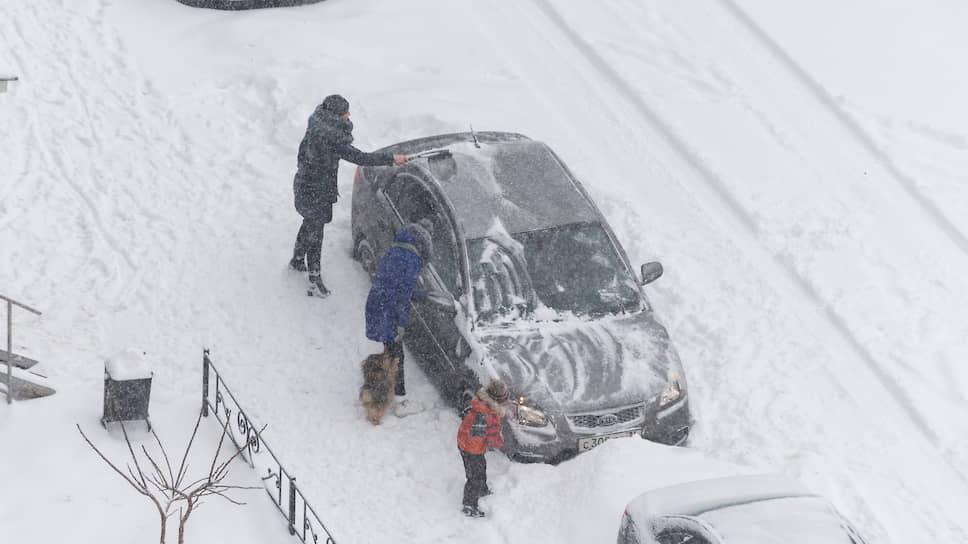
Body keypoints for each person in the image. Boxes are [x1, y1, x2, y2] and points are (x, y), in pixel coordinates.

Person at [290, 94, 409, 297]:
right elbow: (360, 157)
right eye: (346, 112)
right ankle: (314, 279)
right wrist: (391, 159)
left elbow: (303, 155)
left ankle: (297, 259)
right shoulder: (331, 139)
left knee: (308, 224)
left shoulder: (317, 125)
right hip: (317, 193)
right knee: (315, 234)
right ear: (336, 115)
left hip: (304, 186)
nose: (349, 114)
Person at [364, 219, 434, 413]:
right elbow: (402, 296)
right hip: (389, 312)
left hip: (379, 305)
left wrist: (422, 296)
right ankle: (400, 401)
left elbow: (398, 286)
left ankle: (385, 387)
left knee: (391, 353)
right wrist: (401, 324)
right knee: (397, 356)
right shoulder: (412, 259)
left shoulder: (397, 251)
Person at [456, 379, 509, 518]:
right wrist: (503, 444)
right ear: (498, 401)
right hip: (470, 448)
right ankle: (469, 504)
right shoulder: (489, 415)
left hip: (467, 442)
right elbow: (494, 439)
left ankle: (482, 489)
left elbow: (465, 414)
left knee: (481, 467)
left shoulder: (481, 403)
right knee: (474, 477)